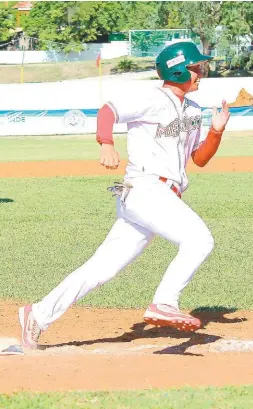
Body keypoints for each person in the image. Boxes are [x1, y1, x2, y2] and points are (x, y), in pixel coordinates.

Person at [19, 42, 231, 349]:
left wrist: (217, 132)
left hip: (159, 196)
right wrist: (106, 143)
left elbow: (198, 159)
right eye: (198, 67)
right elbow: (108, 111)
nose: (202, 72)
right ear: (179, 69)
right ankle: (164, 301)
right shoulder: (151, 97)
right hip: (147, 188)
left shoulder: (195, 111)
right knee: (200, 240)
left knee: (101, 268)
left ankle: (36, 314)